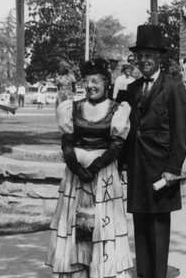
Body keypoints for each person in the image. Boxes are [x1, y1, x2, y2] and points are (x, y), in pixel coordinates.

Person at [46, 57, 133, 278]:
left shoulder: (117, 110)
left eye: (96, 81)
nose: (90, 86)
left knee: (101, 228)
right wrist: (77, 168)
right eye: (86, 81)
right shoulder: (72, 108)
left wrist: (94, 168)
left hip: (102, 177)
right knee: (77, 227)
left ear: (106, 83)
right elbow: (67, 142)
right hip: (76, 179)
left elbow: (116, 145)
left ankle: (102, 271)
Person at [120, 25, 186, 278]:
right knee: (140, 228)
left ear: (159, 56)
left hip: (162, 170)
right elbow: (126, 130)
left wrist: (173, 168)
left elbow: (181, 133)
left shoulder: (173, 86)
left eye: (149, 55)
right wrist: (122, 166)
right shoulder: (132, 88)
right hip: (138, 167)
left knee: (159, 230)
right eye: (140, 55)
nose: (144, 60)